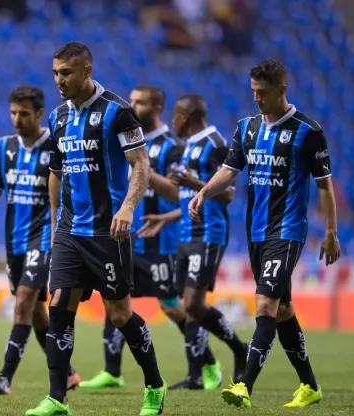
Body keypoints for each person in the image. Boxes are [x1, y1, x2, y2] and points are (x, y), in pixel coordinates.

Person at [24, 42, 166, 416]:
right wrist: (57, 224)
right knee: (59, 307)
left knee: (119, 314)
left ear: (86, 71)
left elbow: (140, 164)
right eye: (55, 73)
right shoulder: (57, 118)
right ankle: (57, 398)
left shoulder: (117, 112)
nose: (59, 80)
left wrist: (129, 207)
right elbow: (56, 173)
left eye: (66, 73)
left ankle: (155, 385)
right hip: (70, 230)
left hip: (109, 231)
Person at [192, 58, 340, 409]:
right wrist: (203, 191)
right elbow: (229, 172)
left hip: (287, 230)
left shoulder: (307, 131)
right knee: (284, 309)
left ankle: (244, 385)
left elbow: (324, 186)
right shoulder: (247, 128)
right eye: (253, 91)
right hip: (256, 232)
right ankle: (310, 386)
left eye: (263, 93)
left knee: (265, 304)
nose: (256, 98)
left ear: (281, 91)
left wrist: (331, 231)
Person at [79, 85, 221, 392]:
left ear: (156, 108)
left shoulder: (171, 147)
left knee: (171, 305)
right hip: (127, 235)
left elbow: (178, 193)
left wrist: (143, 172)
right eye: (129, 101)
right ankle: (112, 371)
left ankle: (208, 363)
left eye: (138, 103)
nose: (131, 107)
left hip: (161, 241)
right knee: (113, 297)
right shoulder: (123, 139)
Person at [0, 86, 81, 396]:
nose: (17, 119)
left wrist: (62, 230)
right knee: (38, 311)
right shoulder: (5, 147)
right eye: (13, 113)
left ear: (40, 114)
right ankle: (67, 372)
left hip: (43, 237)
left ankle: (5, 377)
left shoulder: (54, 147)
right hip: (14, 240)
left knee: (24, 301)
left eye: (24, 114)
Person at [145, 93, 248, 390]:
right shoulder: (190, 146)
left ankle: (239, 350)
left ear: (185, 116)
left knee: (193, 303)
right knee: (189, 306)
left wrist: (193, 183)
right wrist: (167, 218)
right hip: (187, 233)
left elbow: (227, 193)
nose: (172, 122)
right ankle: (195, 375)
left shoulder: (215, 143)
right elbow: (193, 200)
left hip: (209, 234)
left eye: (175, 117)